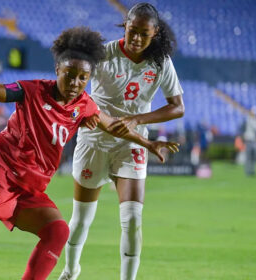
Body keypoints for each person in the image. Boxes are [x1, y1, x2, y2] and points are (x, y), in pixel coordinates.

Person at [0, 26, 179, 280]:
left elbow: (112, 125)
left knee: (57, 231)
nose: (75, 83)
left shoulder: (84, 104)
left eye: (82, 78)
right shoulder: (31, 90)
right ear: (57, 71)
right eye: (69, 75)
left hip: (29, 184)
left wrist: (148, 143)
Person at [59, 4, 185, 280]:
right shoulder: (103, 54)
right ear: (124, 26)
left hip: (132, 144)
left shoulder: (160, 62)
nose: (137, 38)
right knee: (81, 218)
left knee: (131, 220)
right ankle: (70, 270)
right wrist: (82, 109)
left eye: (144, 33)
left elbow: (177, 107)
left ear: (155, 34)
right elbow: (73, 81)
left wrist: (137, 120)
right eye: (132, 31)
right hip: (94, 140)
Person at [243, 106, 256, 176]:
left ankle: (252, 170)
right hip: (249, 140)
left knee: (253, 157)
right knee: (248, 157)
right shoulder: (250, 119)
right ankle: (248, 171)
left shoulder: (254, 120)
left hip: (253, 140)